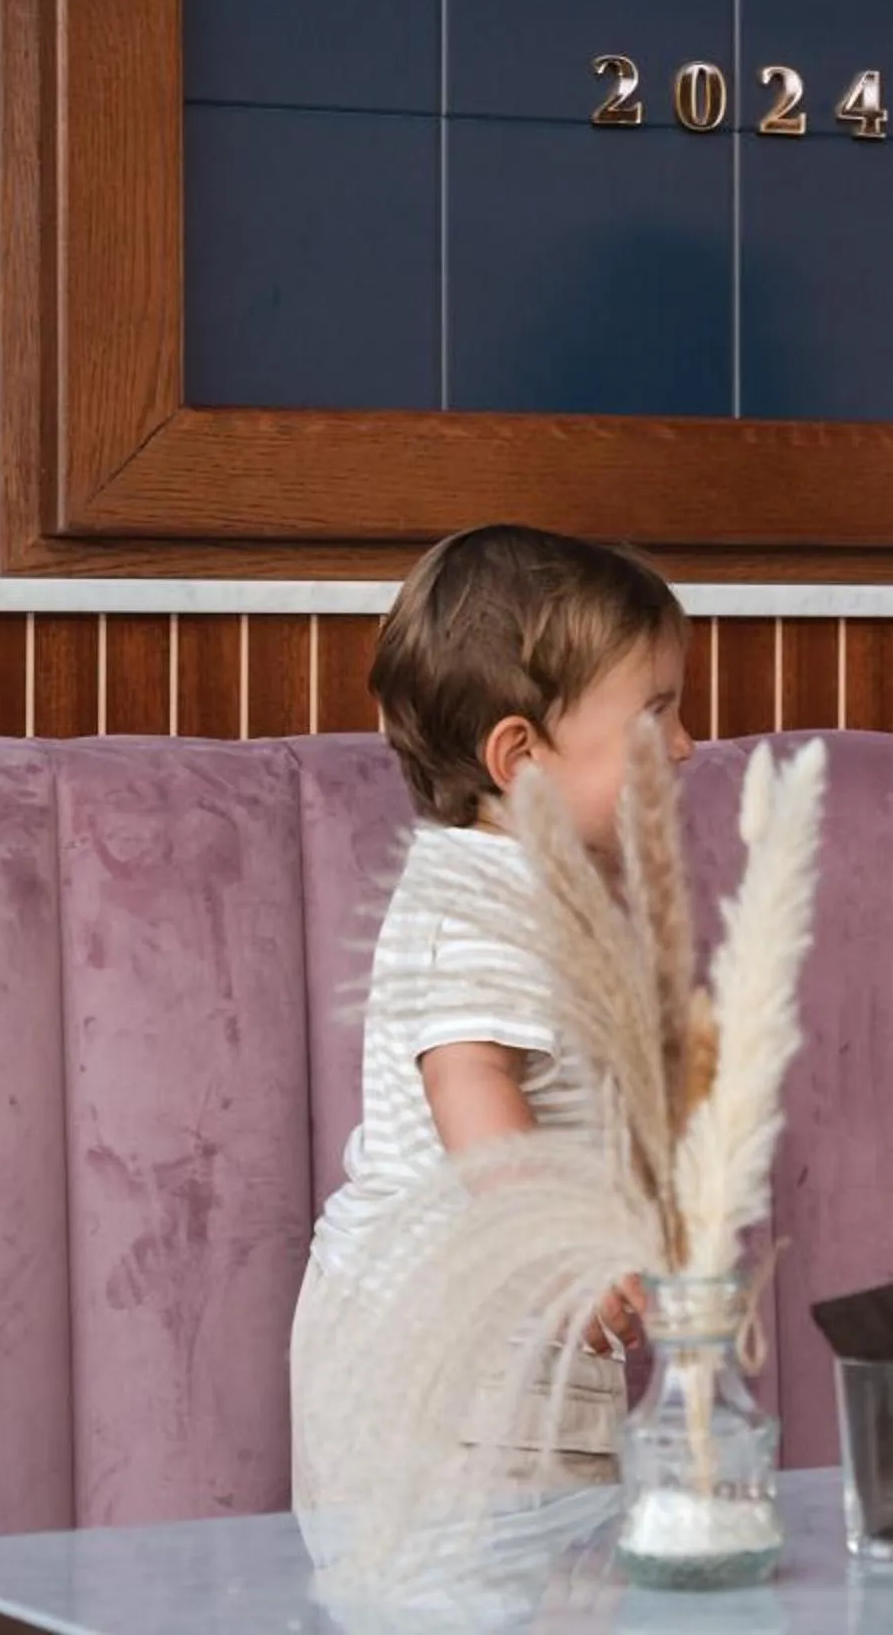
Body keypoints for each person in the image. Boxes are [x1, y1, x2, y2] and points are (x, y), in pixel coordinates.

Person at [292, 524, 693, 1507]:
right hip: (453, 1366)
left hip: (485, 1368)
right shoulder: (486, 891)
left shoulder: (531, 881)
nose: (688, 744)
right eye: (657, 715)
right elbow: (465, 1072)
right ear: (520, 753)